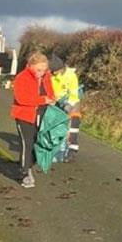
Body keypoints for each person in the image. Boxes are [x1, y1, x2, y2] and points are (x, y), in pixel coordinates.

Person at [11, 52, 55, 188]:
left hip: (42, 115)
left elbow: (50, 92)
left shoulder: (47, 77)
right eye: (38, 70)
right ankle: (24, 172)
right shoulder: (21, 78)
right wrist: (42, 100)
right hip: (24, 115)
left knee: (38, 144)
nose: (41, 73)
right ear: (30, 66)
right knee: (27, 144)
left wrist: (52, 99)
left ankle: (28, 166)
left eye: (44, 70)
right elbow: (21, 98)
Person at [49, 55, 83, 162]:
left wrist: (68, 105)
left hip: (71, 104)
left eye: (56, 71)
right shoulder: (50, 75)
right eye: (53, 71)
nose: (54, 73)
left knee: (72, 127)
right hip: (56, 104)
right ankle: (58, 150)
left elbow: (74, 93)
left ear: (62, 68)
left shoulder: (71, 76)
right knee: (57, 128)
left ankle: (72, 151)